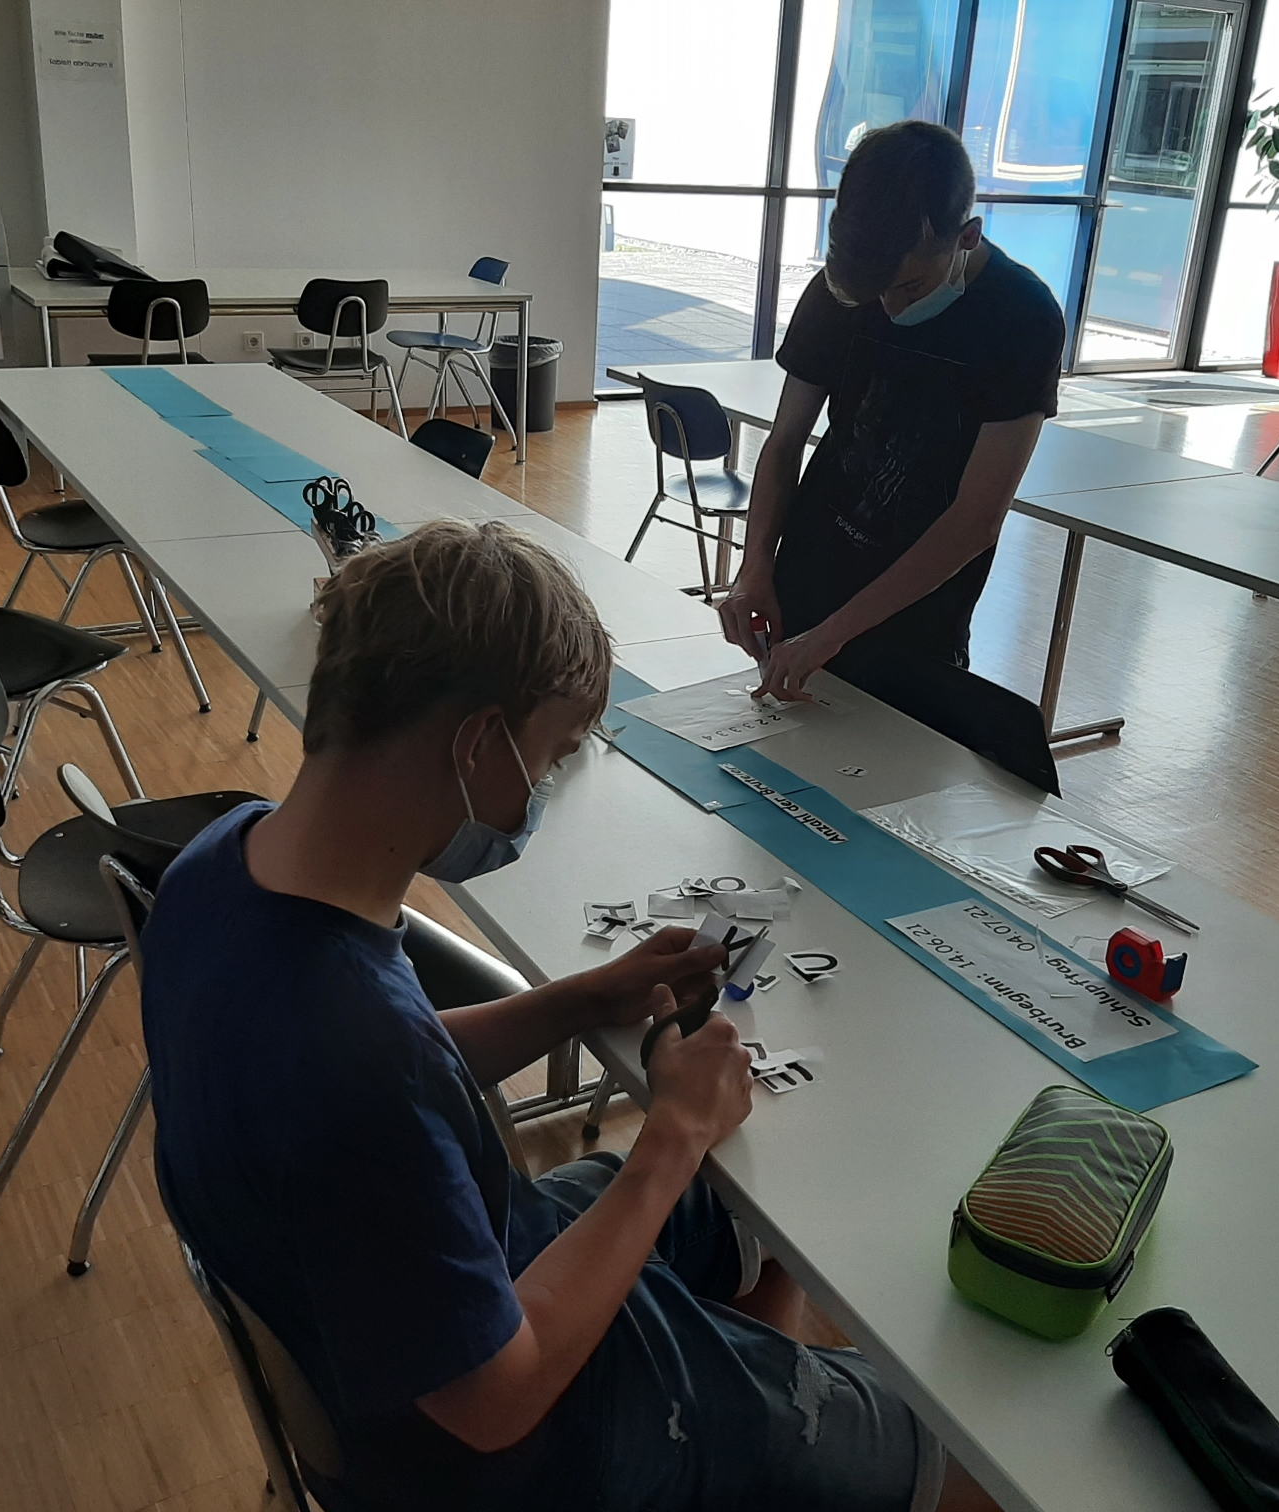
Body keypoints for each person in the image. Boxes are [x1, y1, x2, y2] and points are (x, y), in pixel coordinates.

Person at [139, 520, 993, 1511]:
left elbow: (396, 1076)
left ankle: (764, 1420)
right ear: (474, 746)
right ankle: (772, 1435)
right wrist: (669, 1134)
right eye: (550, 758)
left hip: (402, 1318)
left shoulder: (222, 867)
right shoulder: (354, 1061)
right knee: (966, 1459)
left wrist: (576, 1000)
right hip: (507, 1454)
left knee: (741, 1204)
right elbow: (494, 1402)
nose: (545, 788)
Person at [718, 120, 1066, 700]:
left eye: (910, 287)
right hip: (807, 573)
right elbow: (784, 443)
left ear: (968, 236)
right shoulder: (843, 287)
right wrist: (755, 566)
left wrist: (834, 635)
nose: (889, 306)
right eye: (874, 292)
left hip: (918, 609)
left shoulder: (1021, 318)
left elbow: (976, 519)